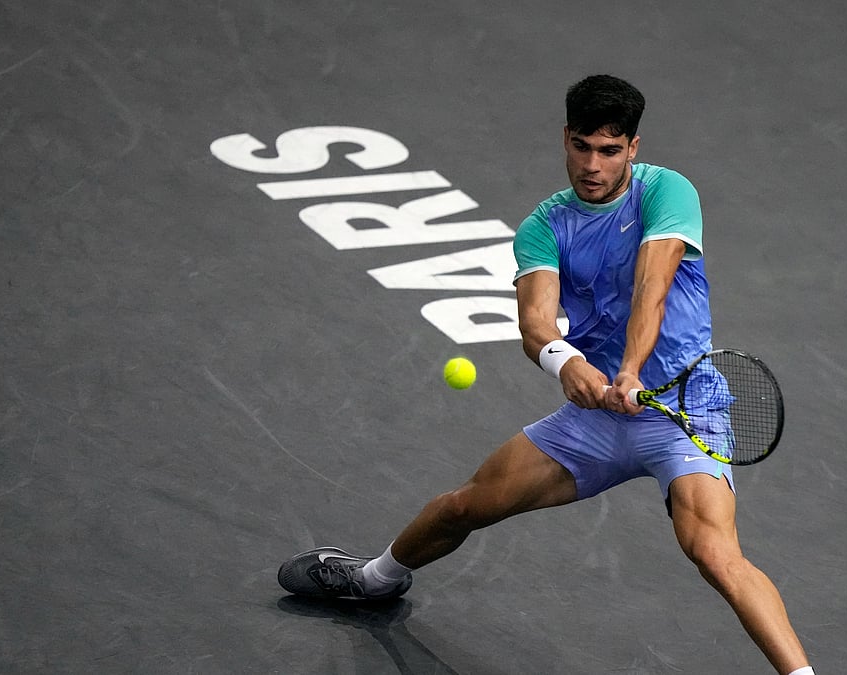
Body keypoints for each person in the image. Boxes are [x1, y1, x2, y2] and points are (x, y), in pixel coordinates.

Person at [278, 74, 815, 675]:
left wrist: (630, 371)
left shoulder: (667, 192)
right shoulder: (545, 226)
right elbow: (535, 323)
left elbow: (653, 286)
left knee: (715, 554)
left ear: (633, 148)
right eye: (582, 146)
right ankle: (375, 578)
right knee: (466, 506)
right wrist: (569, 363)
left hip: (684, 413)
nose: (593, 165)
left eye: (609, 150)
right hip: (598, 417)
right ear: (565, 138)